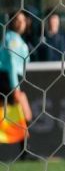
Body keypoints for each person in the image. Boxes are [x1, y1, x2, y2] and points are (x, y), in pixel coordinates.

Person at [0, 11, 33, 153]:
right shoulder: (12, 39)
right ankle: (25, 150)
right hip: (7, 79)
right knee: (25, 112)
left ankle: (25, 150)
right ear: (11, 22)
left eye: (23, 20)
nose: (21, 23)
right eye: (17, 20)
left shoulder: (17, 39)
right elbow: (12, 64)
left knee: (12, 114)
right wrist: (16, 88)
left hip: (12, 79)